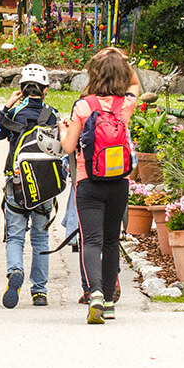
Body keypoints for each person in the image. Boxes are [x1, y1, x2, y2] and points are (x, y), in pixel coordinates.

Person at [61, 48, 140, 324]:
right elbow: (135, 84)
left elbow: (69, 146)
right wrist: (122, 59)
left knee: (91, 241)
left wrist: (63, 131)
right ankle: (108, 301)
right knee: (110, 240)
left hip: (88, 182)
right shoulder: (126, 104)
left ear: (92, 75)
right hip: (118, 182)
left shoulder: (83, 106)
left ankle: (93, 292)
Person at [0, 64, 58, 308]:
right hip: (44, 186)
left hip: (17, 182)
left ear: (21, 89)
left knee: (15, 237)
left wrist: (8, 106)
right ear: (45, 90)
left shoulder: (14, 116)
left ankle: (15, 271)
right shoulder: (52, 115)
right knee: (41, 238)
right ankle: (39, 291)